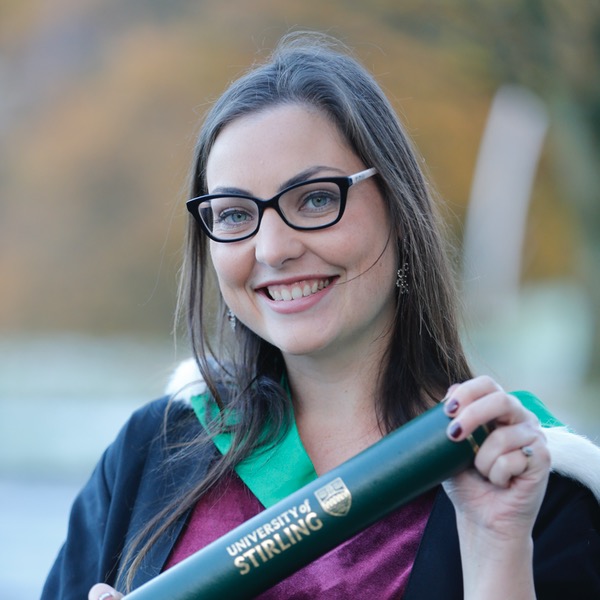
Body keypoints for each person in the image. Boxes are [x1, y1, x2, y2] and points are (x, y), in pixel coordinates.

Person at [43, 32, 600, 600]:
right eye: (235, 214)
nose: (272, 248)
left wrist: (497, 549)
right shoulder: (157, 451)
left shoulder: (522, 478)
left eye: (314, 199)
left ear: (398, 209)